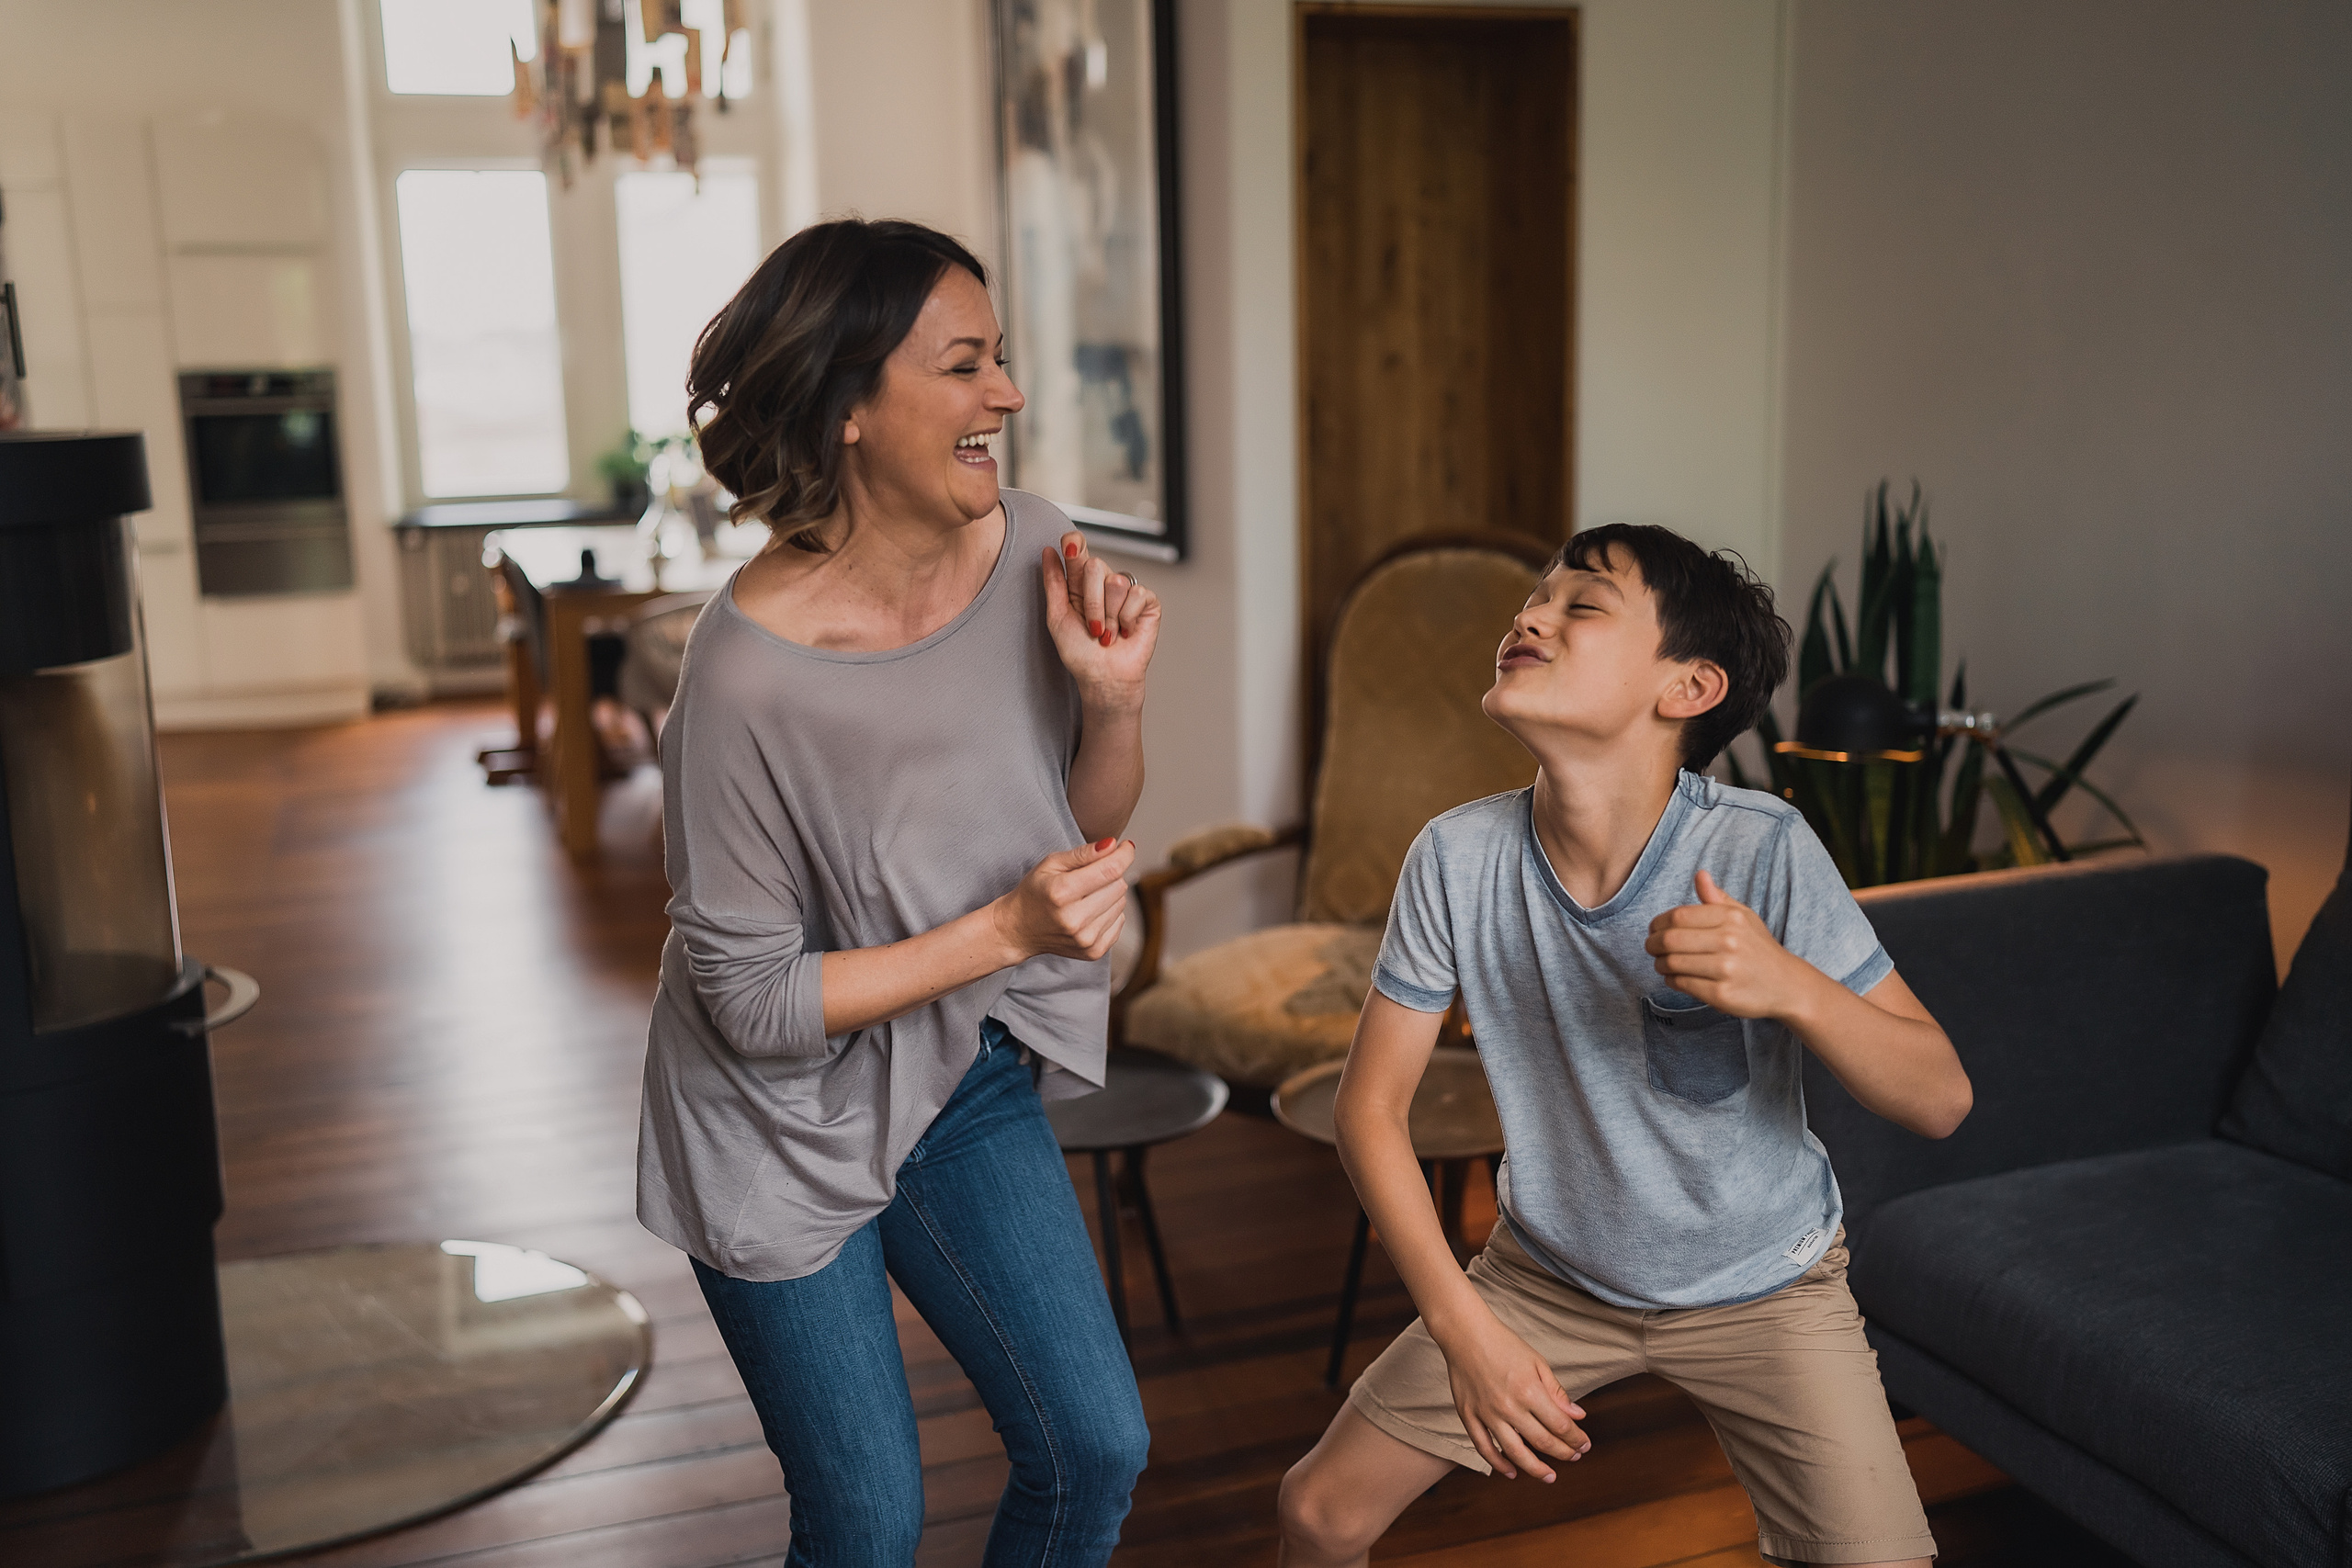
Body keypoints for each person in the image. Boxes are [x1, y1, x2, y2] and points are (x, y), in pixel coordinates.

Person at [1277, 525, 1975, 1568]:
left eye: (1581, 605)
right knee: (1317, 1513)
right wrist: (1469, 1335)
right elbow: (1369, 1111)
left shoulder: (1760, 847)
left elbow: (1940, 1099)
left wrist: (1787, 985)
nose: (1528, 617)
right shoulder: (1455, 857)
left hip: (1765, 1285)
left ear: (1687, 688)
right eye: (1534, 600)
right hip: (1545, 1276)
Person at [636, 219, 1158, 1567]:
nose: (1009, 395)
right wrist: (1009, 929)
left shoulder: (1036, 546)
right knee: (867, 1525)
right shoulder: (744, 677)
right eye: (966, 363)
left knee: (1094, 1445)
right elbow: (752, 1004)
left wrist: (1114, 707)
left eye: (1003, 360)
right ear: (852, 405)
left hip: (960, 1070)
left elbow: (1082, 820)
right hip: (774, 1120)